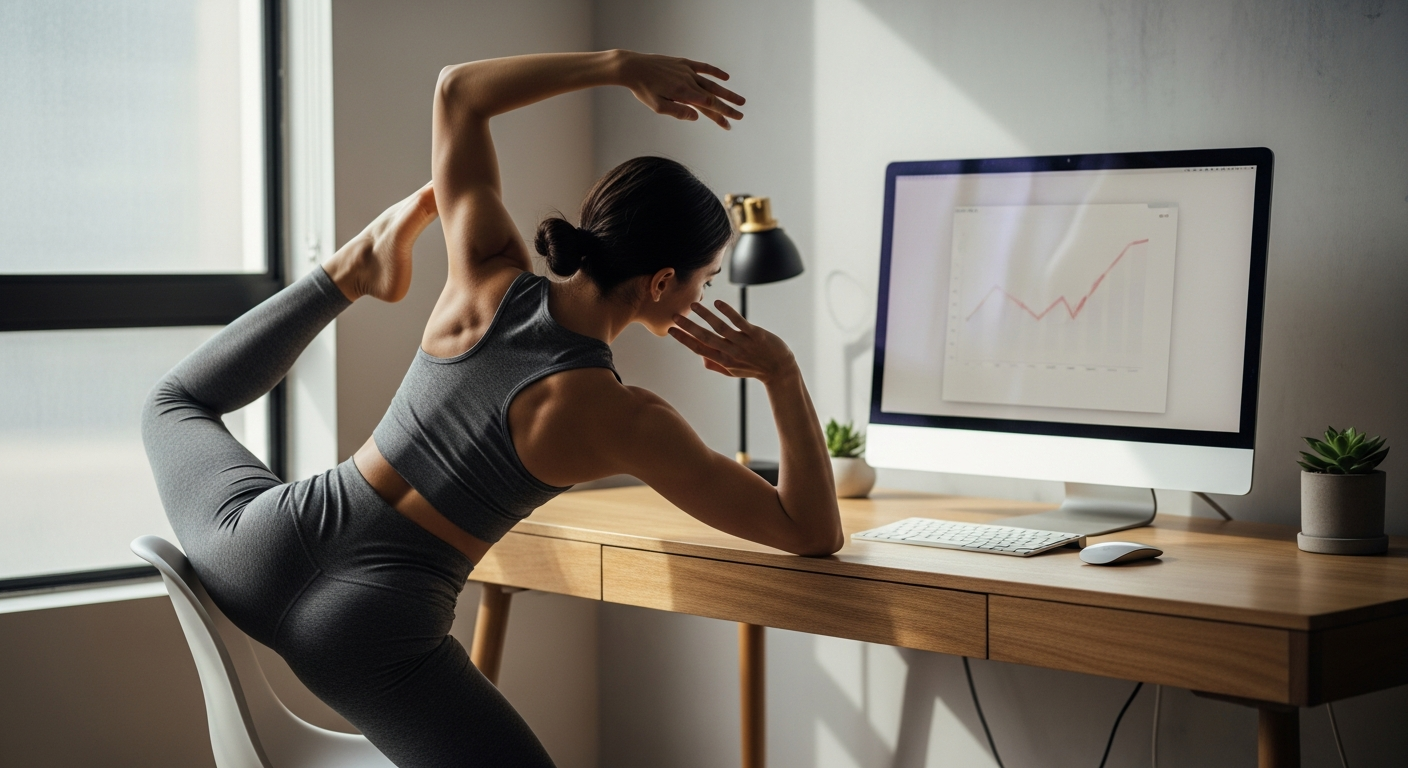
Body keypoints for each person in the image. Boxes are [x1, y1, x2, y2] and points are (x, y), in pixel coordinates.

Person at [143, 49, 841, 768]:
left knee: (175, 402)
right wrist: (782, 375)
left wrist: (618, 66)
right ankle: (360, 264)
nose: (702, 294)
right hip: (372, 638)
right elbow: (810, 532)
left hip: (260, 549)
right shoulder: (628, 420)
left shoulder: (484, 272)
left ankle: (349, 272)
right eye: (706, 279)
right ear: (663, 280)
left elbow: (458, 91)